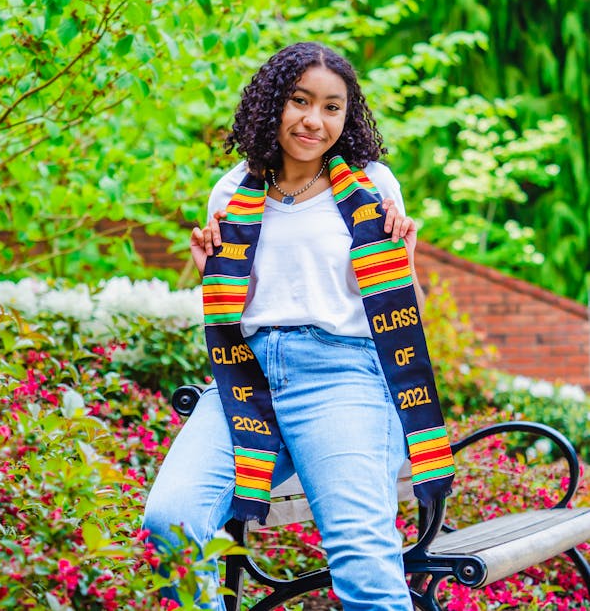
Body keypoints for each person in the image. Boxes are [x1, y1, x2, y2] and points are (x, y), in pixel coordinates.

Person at [144, 42, 433, 611]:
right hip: (246, 380)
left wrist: (405, 264)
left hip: (343, 376)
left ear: (346, 116)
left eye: (332, 107)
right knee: (171, 522)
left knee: (362, 558)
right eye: (300, 101)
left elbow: (408, 315)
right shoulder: (233, 190)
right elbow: (239, 306)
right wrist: (212, 275)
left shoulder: (372, 186)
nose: (313, 120)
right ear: (273, 103)